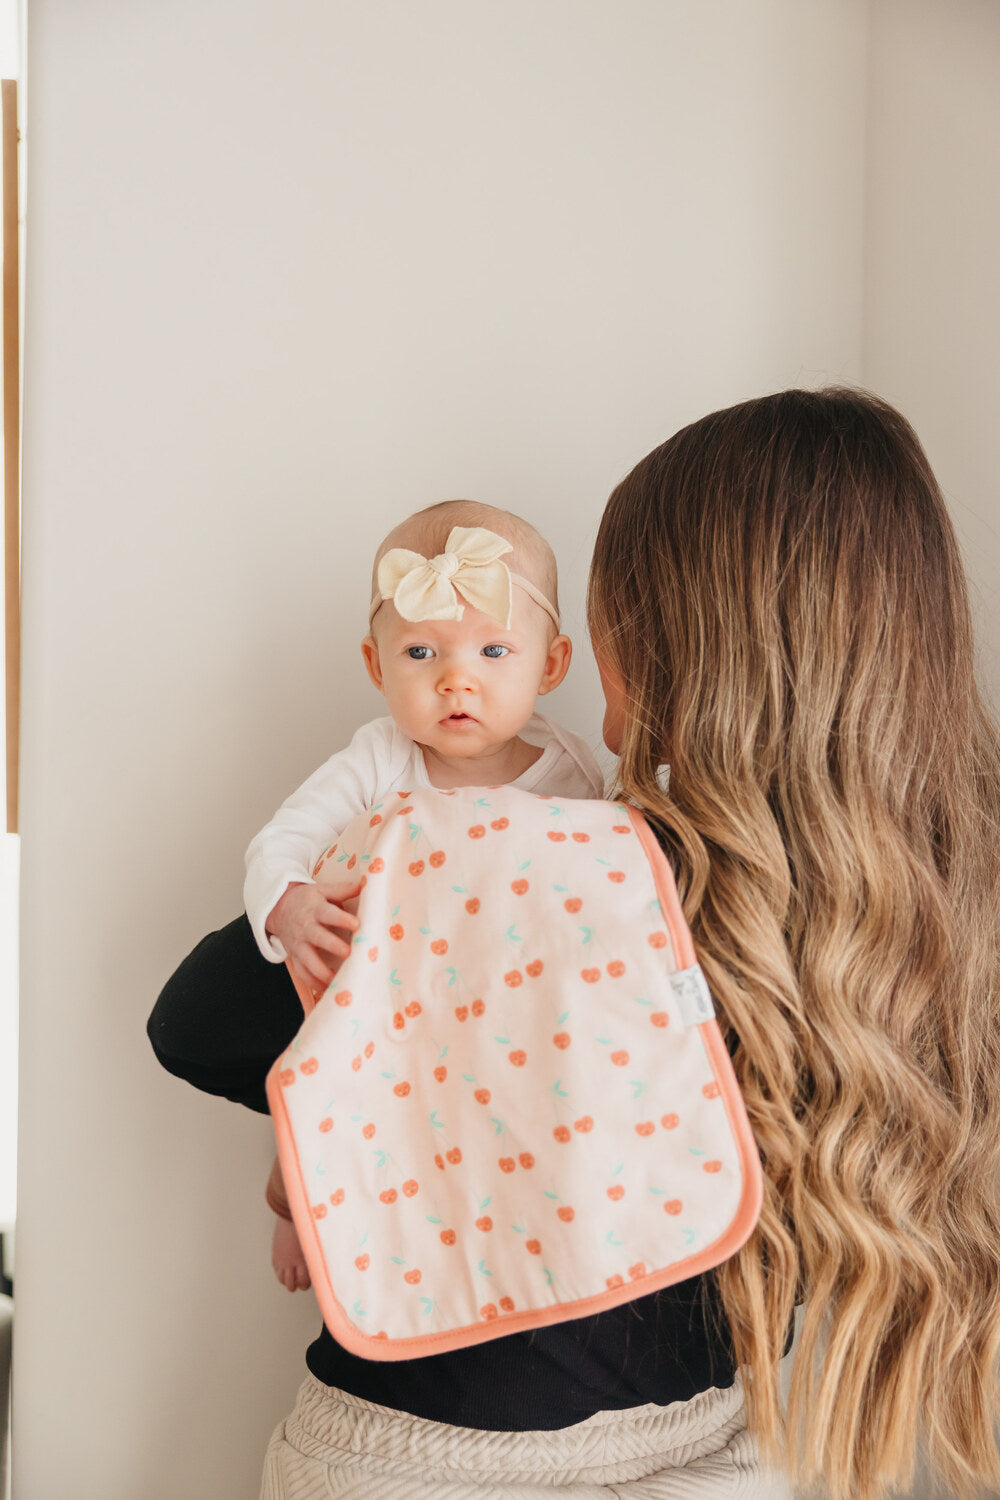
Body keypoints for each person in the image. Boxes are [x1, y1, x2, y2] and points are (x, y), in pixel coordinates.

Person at [148, 387, 1000, 1499]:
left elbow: (195, 1023)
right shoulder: (931, 914)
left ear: (640, 644)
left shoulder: (488, 857)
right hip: (734, 1450)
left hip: (433, 1461)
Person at [249, 499, 605, 1293]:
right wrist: (290, 904)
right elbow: (282, 841)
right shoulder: (377, 761)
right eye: (420, 650)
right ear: (377, 668)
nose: (457, 678)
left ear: (550, 666)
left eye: (493, 650)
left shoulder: (575, 779)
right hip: (387, 998)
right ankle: (296, 1197)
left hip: (497, 1005)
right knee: (326, 1078)